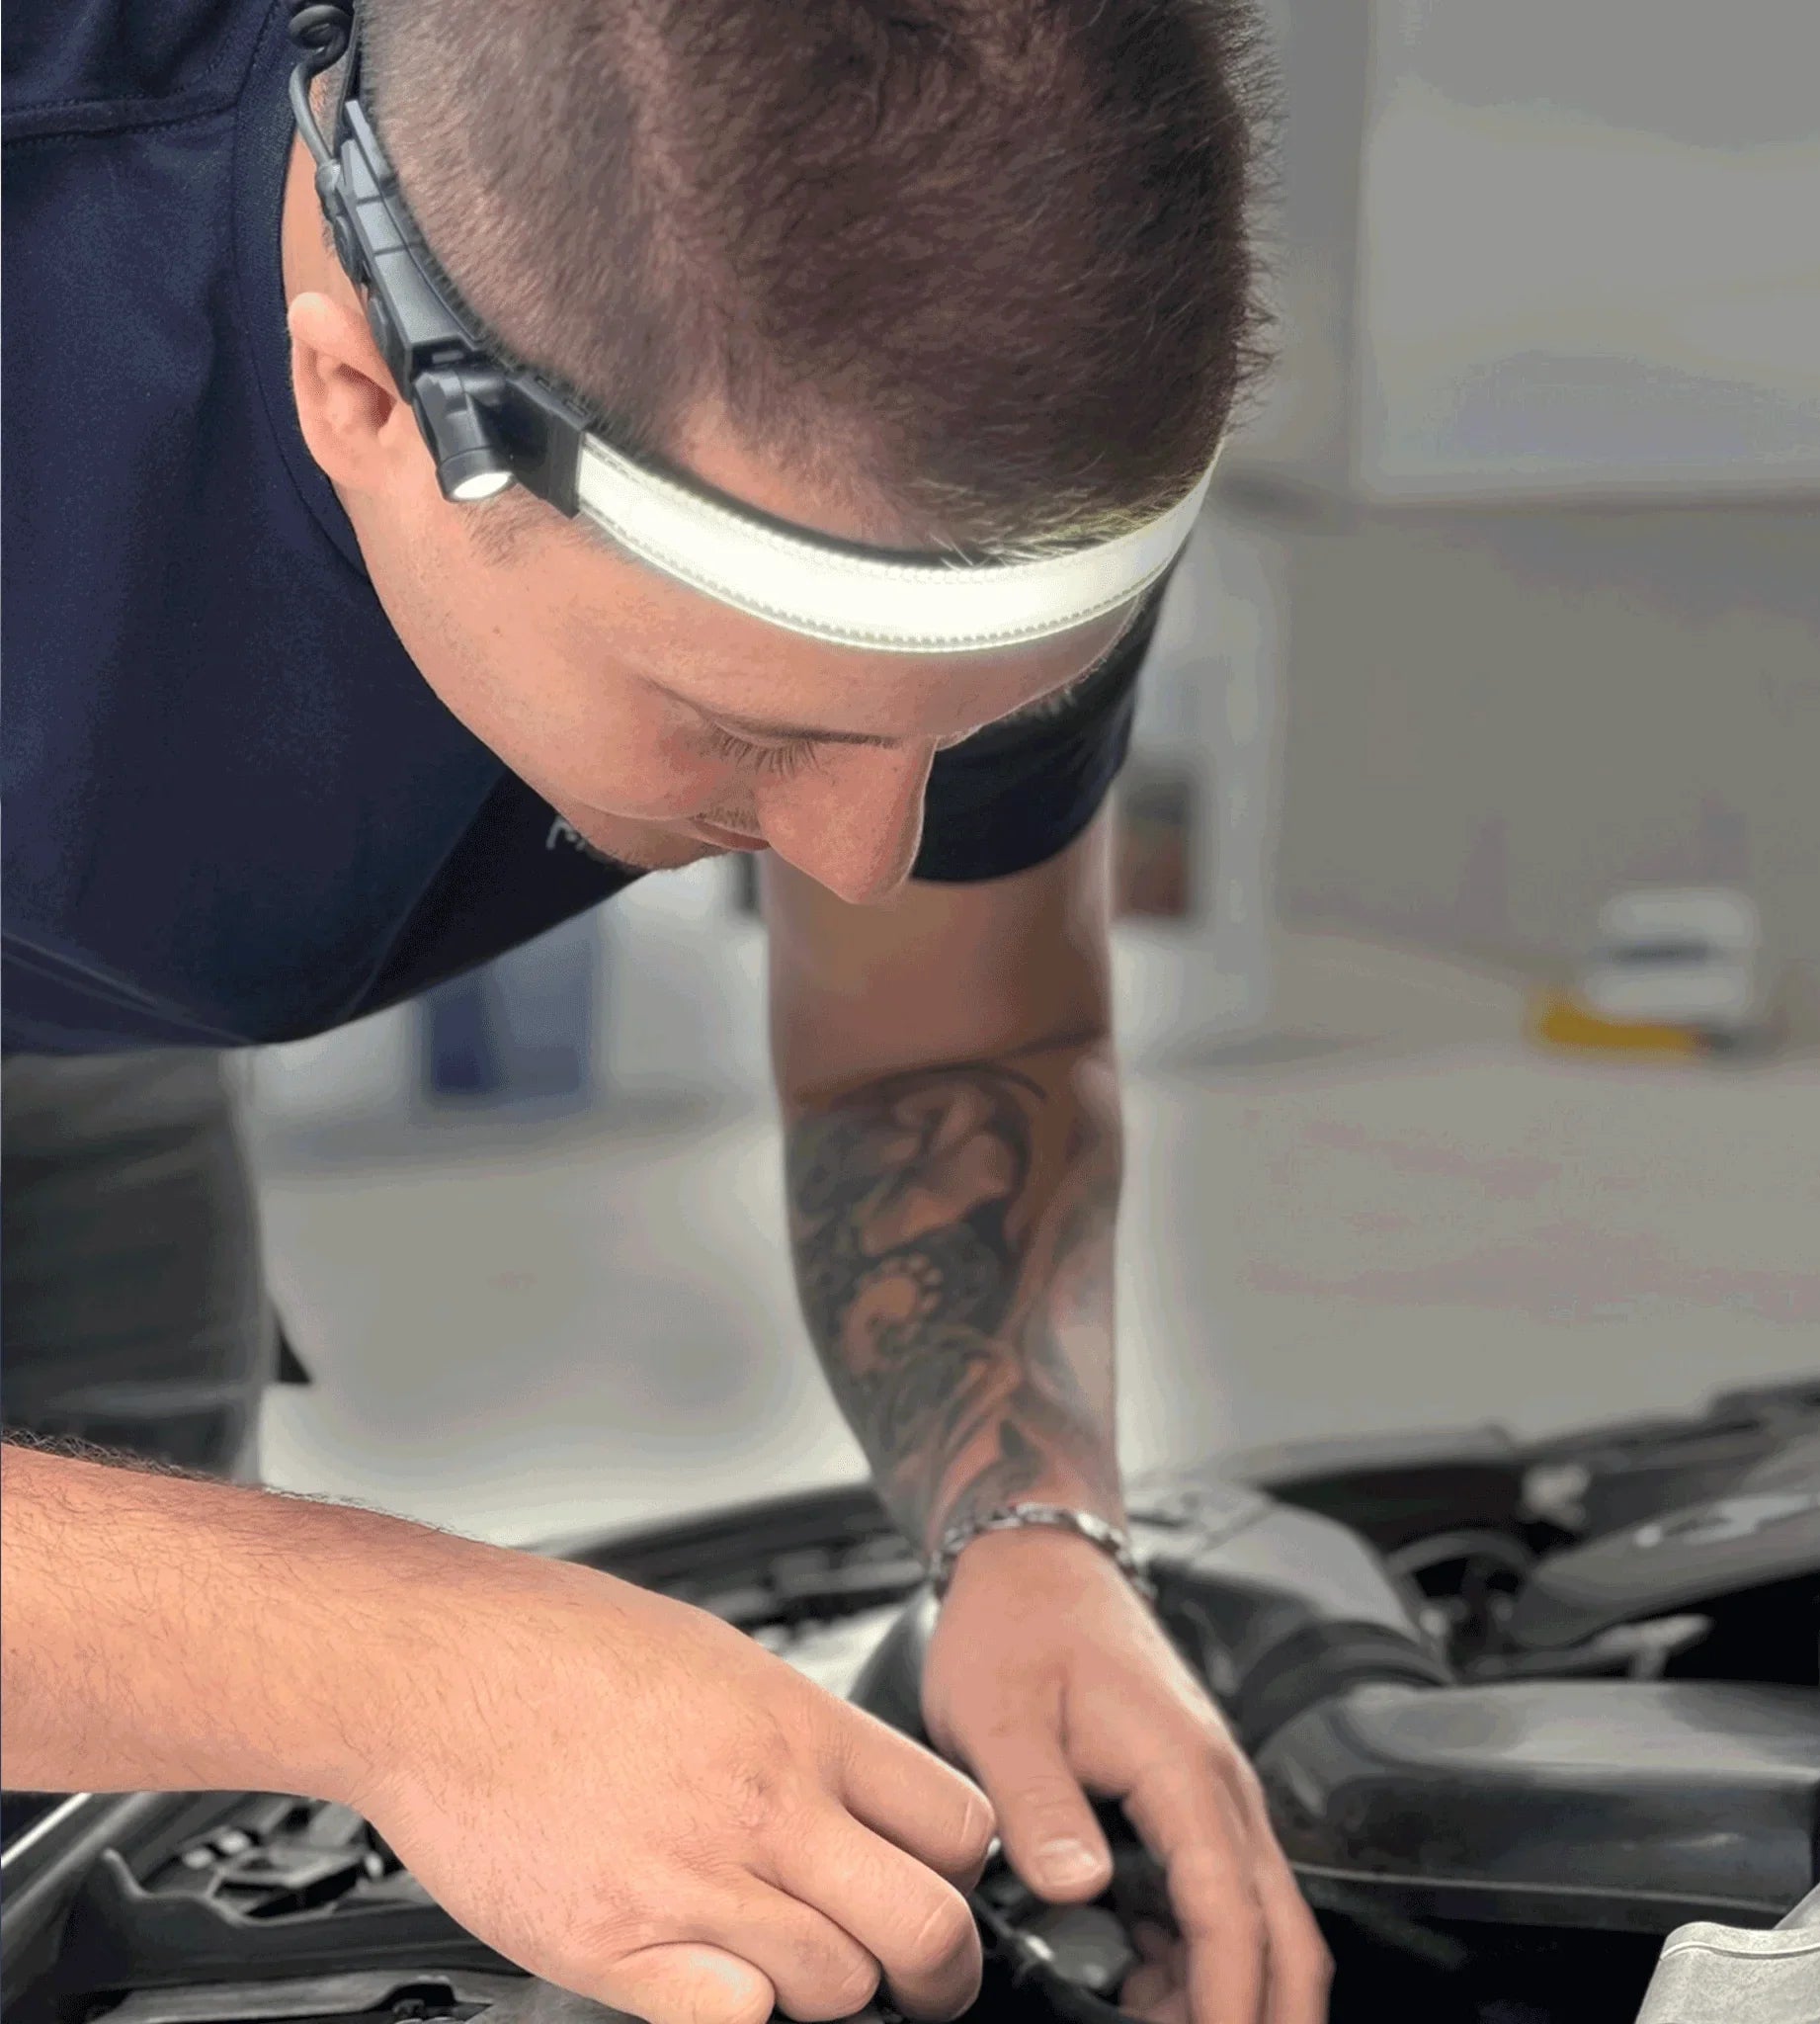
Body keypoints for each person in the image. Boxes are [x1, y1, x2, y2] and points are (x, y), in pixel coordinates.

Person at [0, 4, 1331, 2024]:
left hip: (104, 1063)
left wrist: (1029, 1537)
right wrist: (414, 1666)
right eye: (747, 726)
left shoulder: (906, 439)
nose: (867, 853)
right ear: (364, 388)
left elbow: (939, 1040)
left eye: (975, 726)